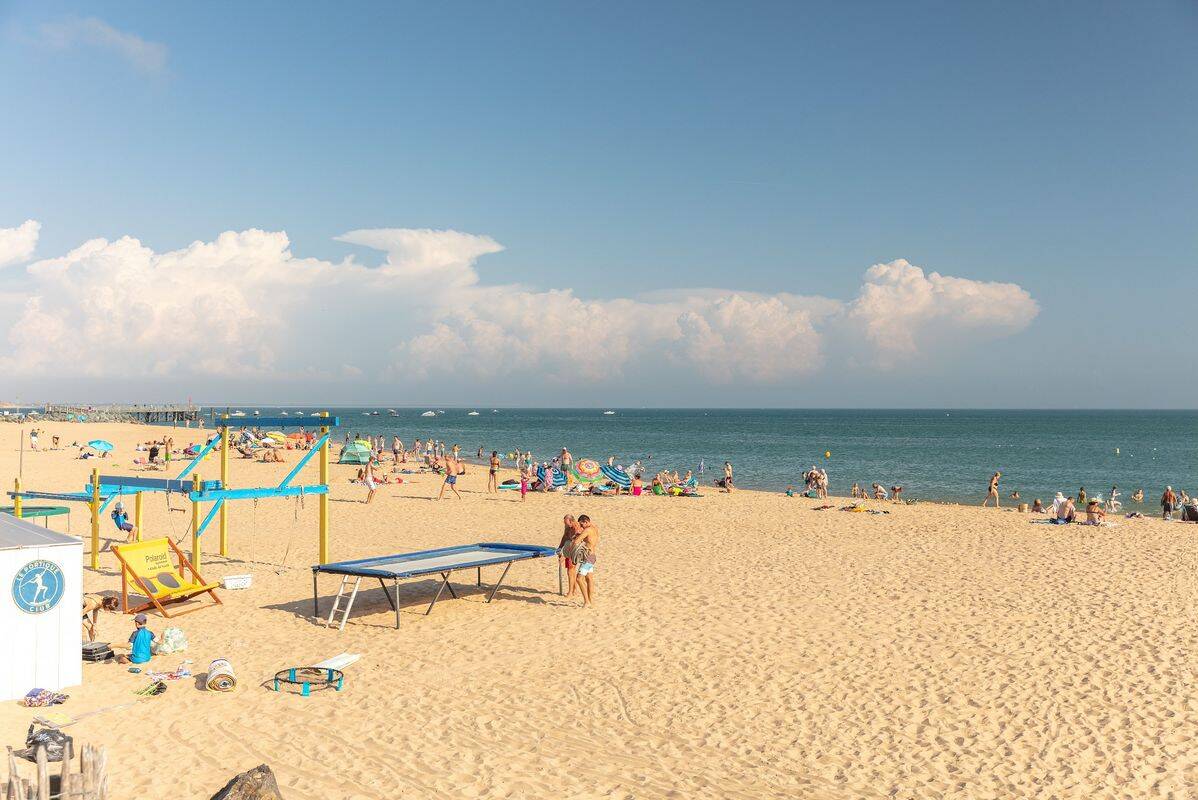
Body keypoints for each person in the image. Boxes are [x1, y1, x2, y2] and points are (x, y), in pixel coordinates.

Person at [573, 514, 599, 607]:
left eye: (582, 524)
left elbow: (576, 541)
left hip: (587, 557)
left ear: (586, 522)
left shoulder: (587, 530)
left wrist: (574, 539)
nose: (581, 526)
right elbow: (589, 539)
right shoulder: (594, 528)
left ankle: (587, 601)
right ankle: (591, 601)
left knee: (579, 579)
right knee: (589, 579)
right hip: (593, 556)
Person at [558, 515, 581, 597]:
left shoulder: (576, 527)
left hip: (573, 551)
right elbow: (564, 537)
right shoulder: (568, 527)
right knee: (571, 571)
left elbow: (575, 541)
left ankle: (571, 592)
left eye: (566, 523)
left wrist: (565, 556)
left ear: (571, 521)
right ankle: (574, 590)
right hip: (569, 550)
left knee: (570, 571)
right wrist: (560, 547)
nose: (565, 525)